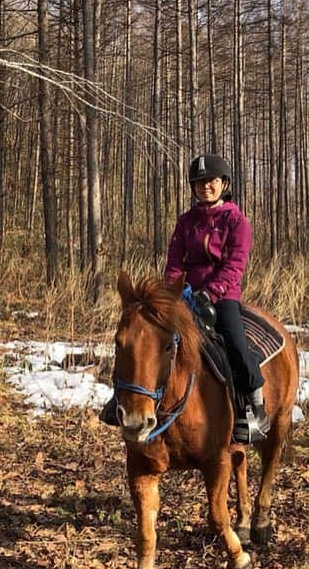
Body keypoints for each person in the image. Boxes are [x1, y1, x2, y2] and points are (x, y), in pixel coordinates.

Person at [100, 153, 269, 444]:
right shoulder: (186, 221)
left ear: (223, 183)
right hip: (184, 296)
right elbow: (175, 261)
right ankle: (122, 398)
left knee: (236, 345)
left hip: (222, 296)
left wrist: (211, 293)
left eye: (211, 182)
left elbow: (235, 264)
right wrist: (171, 292)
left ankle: (252, 408)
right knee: (147, 341)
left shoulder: (236, 220)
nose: (205, 187)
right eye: (199, 183)